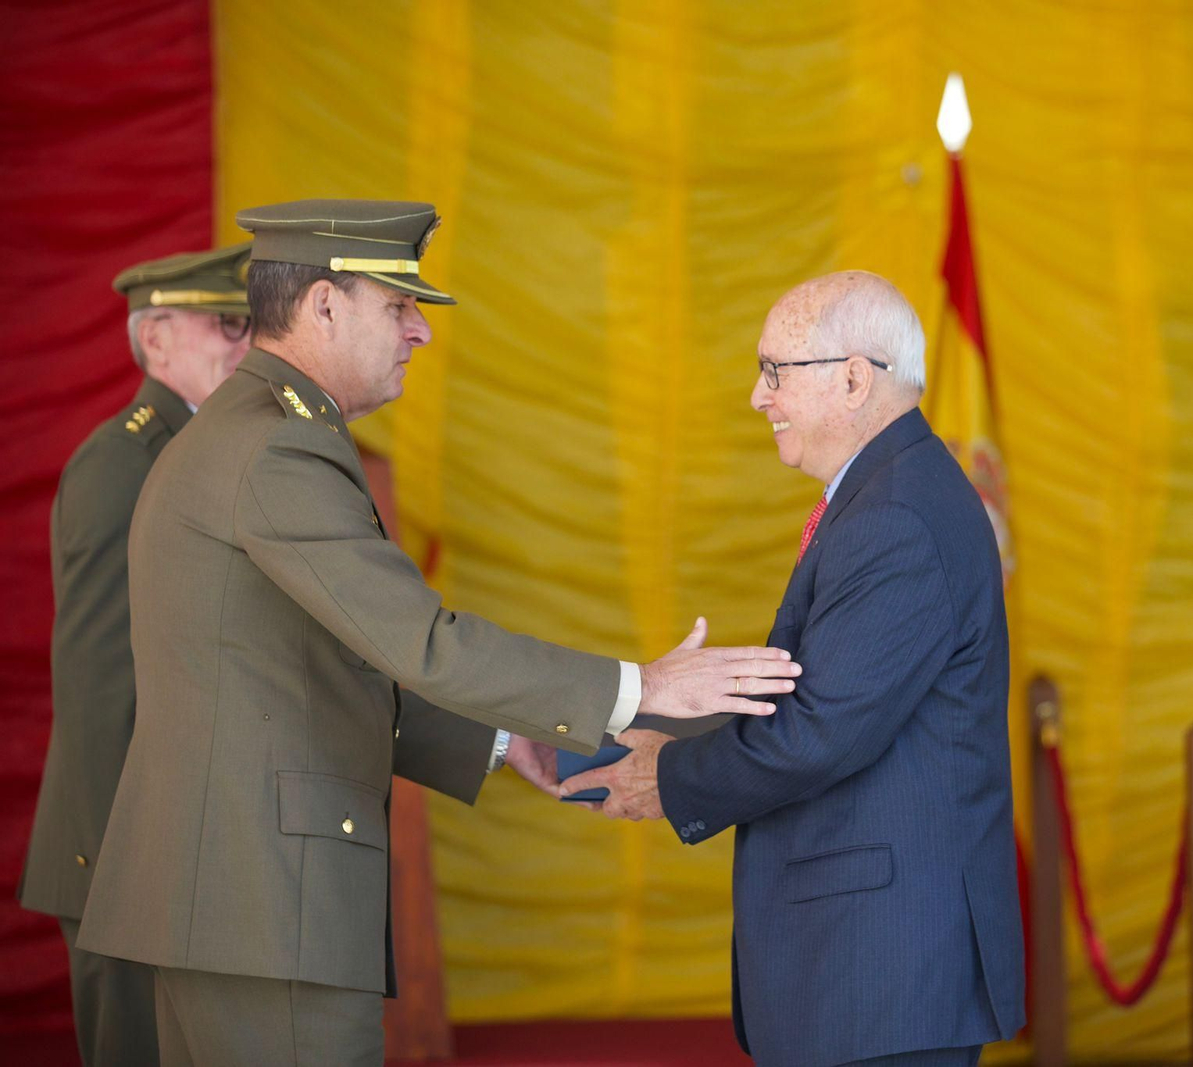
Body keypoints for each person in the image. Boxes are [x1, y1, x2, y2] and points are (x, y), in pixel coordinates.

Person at [75, 199, 800, 1066]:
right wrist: (642, 686)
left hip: (228, 901)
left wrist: (498, 739)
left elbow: (306, 669)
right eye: (398, 306)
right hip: (262, 906)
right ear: (324, 305)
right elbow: (422, 641)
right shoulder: (278, 448)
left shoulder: (250, 429)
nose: (419, 330)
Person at [563, 271, 1025, 1066]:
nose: (758, 396)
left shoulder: (897, 513)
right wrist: (649, 711)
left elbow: (818, 733)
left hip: (884, 973)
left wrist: (665, 775)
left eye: (775, 370)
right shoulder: (889, 491)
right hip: (874, 969)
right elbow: (826, 697)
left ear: (854, 379)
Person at [18, 243, 253, 1066]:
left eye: (252, 324)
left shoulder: (209, 448)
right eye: (227, 324)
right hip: (132, 862)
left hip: (189, 849)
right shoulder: (125, 461)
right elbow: (103, 684)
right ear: (155, 339)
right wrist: (130, 869)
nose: (248, 344)